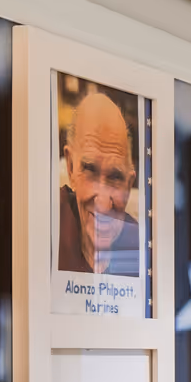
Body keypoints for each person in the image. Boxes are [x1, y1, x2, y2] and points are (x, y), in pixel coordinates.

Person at [57, 87, 141, 277]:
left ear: (129, 185)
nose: (102, 203)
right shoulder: (48, 223)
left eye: (116, 177)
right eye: (89, 170)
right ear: (71, 168)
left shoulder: (140, 245)